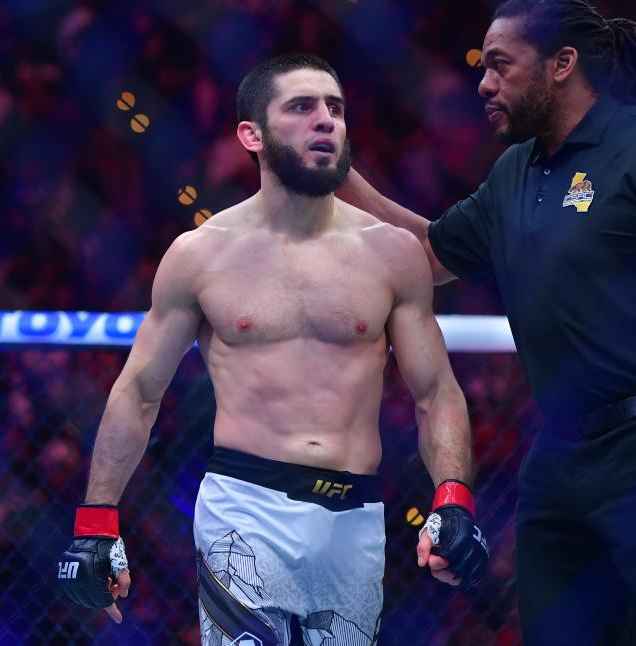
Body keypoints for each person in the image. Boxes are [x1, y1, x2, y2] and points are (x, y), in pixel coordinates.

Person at [338, 1, 636, 644]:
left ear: (561, 66)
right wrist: (340, 178)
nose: (483, 84)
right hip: (561, 453)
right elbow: (430, 256)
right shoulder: (517, 171)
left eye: (500, 65)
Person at [57, 53, 489, 645]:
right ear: (251, 135)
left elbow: (435, 392)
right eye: (302, 107)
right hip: (244, 506)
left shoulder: (391, 254)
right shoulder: (201, 254)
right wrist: (96, 521)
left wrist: (453, 498)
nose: (325, 121)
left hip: (354, 515)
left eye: (335, 108)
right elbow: (138, 391)